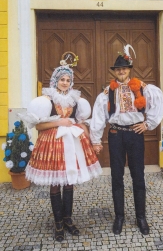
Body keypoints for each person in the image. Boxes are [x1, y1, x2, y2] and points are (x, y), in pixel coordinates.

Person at [22, 53, 102, 242]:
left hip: (73, 144)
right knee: (55, 183)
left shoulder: (76, 101)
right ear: (55, 81)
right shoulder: (45, 101)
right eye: (62, 80)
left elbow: (80, 122)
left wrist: (91, 139)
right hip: (52, 145)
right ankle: (58, 223)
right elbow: (39, 126)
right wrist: (60, 121)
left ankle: (68, 219)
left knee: (69, 182)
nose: (65, 83)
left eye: (68, 80)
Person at [90, 44, 163, 236]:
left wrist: (148, 125)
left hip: (135, 134)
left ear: (129, 70)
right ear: (114, 73)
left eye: (124, 69)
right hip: (115, 135)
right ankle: (119, 217)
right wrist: (96, 139)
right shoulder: (108, 92)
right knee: (116, 176)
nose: (121, 72)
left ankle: (141, 217)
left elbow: (157, 104)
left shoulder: (142, 88)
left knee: (138, 176)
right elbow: (98, 116)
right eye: (118, 70)